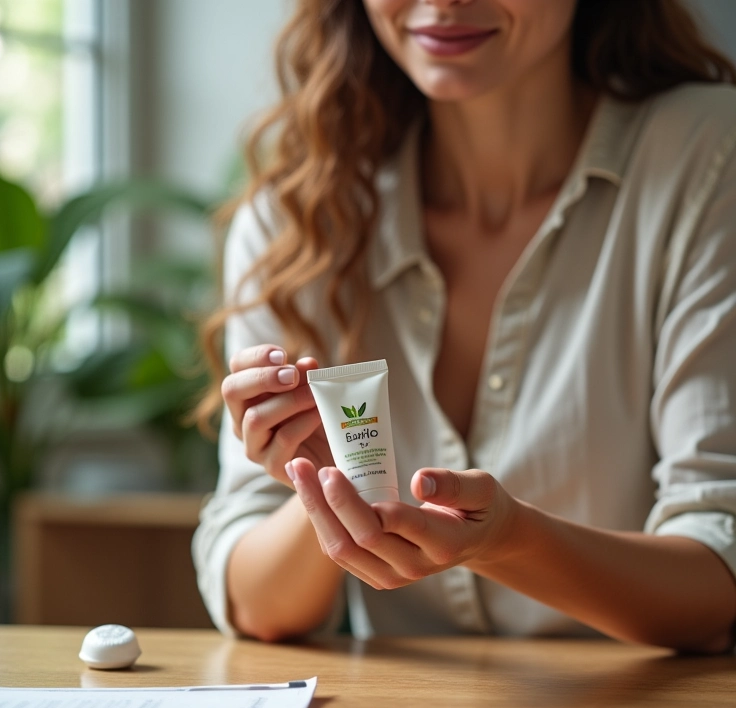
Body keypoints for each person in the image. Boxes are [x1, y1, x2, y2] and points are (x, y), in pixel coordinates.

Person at [192, 0, 736, 652]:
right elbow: (254, 604)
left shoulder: (708, 157)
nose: (443, 2)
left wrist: (509, 540)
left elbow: (718, 581)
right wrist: (325, 484)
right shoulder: (300, 218)